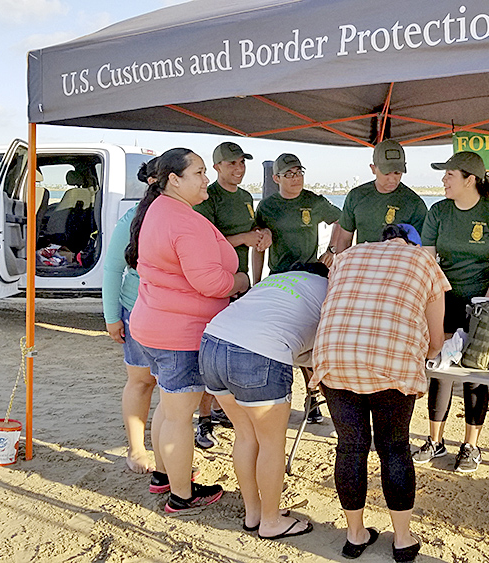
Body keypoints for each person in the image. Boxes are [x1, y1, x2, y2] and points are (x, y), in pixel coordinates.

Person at [312, 224, 448, 562]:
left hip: (334, 356)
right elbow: (436, 337)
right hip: (391, 361)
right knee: (394, 447)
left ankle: (355, 535)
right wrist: (429, 354)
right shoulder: (422, 259)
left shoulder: (347, 256)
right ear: (411, 243)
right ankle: (402, 539)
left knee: (350, 446)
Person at [126, 147, 250, 514]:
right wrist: (241, 279)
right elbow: (210, 281)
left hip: (154, 323)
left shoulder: (159, 210)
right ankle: (182, 495)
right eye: (198, 172)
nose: (206, 178)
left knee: (168, 406)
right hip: (179, 332)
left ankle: (164, 475)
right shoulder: (181, 219)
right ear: (174, 180)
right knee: (180, 415)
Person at [199, 263, 328, 541]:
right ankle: (271, 521)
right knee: (271, 443)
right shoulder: (328, 289)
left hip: (212, 343)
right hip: (258, 353)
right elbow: (323, 348)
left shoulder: (274, 282)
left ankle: (253, 514)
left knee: (246, 436)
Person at [415, 152, 489, 474]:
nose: (443, 180)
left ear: (470, 180)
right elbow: (428, 263)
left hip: (486, 301)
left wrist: (483, 306)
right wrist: (434, 302)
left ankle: (471, 445)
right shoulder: (438, 211)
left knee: (474, 374)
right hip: (444, 299)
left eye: (449, 175)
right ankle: (435, 440)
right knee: (440, 367)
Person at [193, 141, 273, 450]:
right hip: (214, 284)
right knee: (208, 356)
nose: (238, 169)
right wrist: (243, 237)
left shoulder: (244, 197)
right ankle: (203, 421)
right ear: (216, 168)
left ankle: (218, 410)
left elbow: (254, 235)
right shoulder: (207, 198)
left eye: (241, 163)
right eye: (231, 165)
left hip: (241, 284)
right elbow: (204, 243)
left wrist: (262, 237)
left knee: (231, 353)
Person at [253, 152, 341, 424]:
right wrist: (257, 283)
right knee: (286, 341)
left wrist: (332, 250)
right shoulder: (267, 207)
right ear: (276, 178)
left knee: (313, 338)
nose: (296, 178)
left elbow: (343, 221)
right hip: (280, 279)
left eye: (299, 172)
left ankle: (313, 394)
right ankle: (296, 396)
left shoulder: (313, 201)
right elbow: (258, 246)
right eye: (289, 174)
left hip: (312, 277)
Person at [103, 157, 160, 474]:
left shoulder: (190, 214)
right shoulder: (131, 219)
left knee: (173, 390)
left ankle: (168, 454)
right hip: (135, 309)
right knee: (141, 382)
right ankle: (136, 449)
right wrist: (112, 316)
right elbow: (113, 269)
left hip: (175, 314)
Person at [328, 139, 428, 254]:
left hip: (398, 268)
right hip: (362, 266)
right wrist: (340, 266)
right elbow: (345, 239)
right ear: (373, 168)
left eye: (397, 173)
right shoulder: (356, 196)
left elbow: (421, 249)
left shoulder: (414, 204)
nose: (392, 179)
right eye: (386, 173)